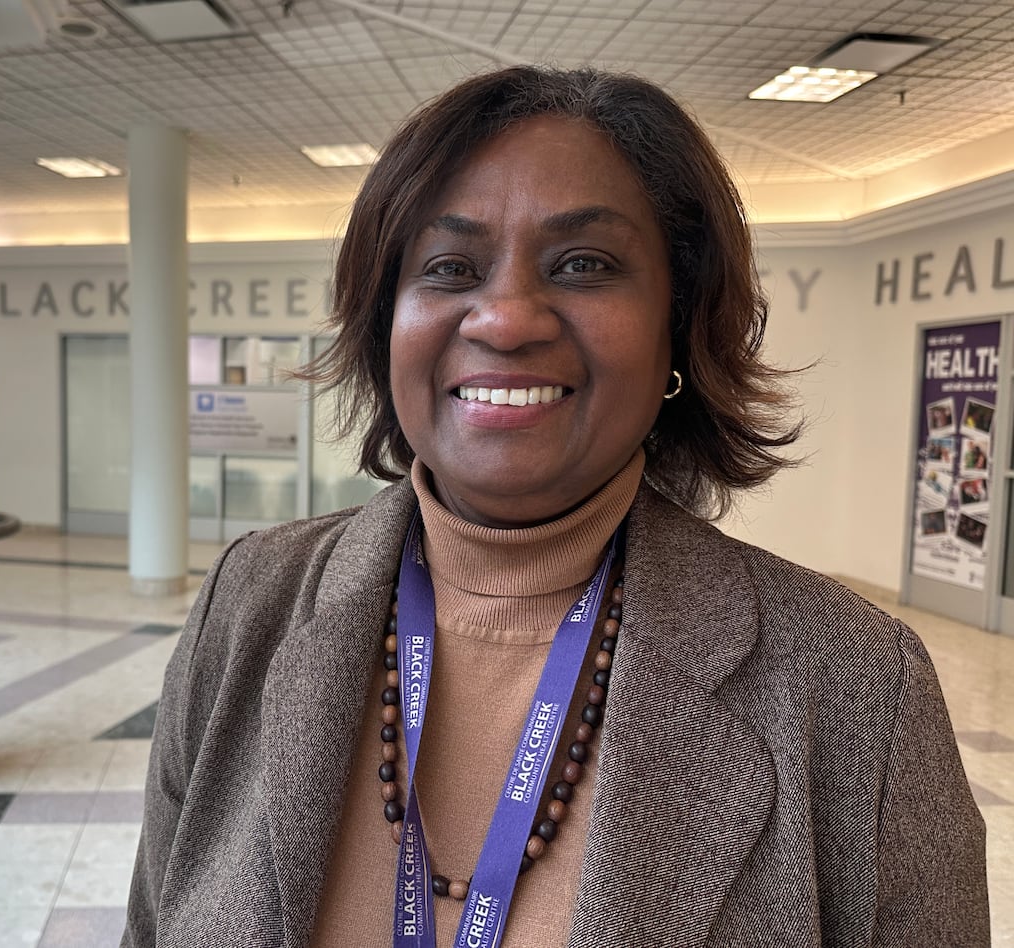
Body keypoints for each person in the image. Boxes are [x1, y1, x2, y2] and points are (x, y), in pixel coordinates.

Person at [122, 66, 988, 947]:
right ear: (388, 324)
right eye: (449, 267)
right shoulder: (247, 603)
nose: (504, 318)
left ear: (677, 325)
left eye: (583, 265)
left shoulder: (855, 685)